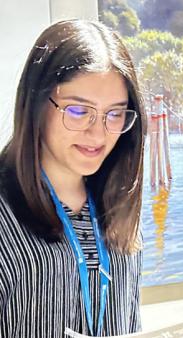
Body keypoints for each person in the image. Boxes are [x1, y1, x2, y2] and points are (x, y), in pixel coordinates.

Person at [0, 19, 146, 337]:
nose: (98, 133)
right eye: (79, 111)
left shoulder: (120, 207)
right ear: (37, 104)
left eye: (115, 114)